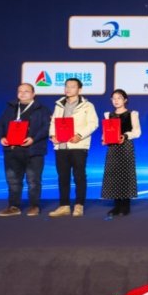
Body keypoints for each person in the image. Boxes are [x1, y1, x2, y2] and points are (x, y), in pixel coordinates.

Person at [0, 83, 51, 217]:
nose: (23, 93)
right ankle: (14, 206)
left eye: (26, 91)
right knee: (13, 180)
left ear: (33, 94)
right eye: (20, 91)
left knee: (33, 181)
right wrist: (1, 137)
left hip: (33, 150)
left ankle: (34, 206)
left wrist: (33, 139)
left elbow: (47, 127)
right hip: (12, 150)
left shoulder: (42, 109)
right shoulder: (11, 108)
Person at [48, 77, 99, 217]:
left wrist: (79, 135)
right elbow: (53, 123)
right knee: (63, 177)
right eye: (66, 86)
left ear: (79, 89)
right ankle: (64, 206)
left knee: (79, 176)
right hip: (61, 146)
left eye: (72, 86)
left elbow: (93, 123)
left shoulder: (87, 105)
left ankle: (79, 205)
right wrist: (52, 135)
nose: (68, 89)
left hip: (78, 145)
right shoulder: (59, 104)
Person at [101, 89, 141, 217]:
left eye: (119, 98)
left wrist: (125, 135)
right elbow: (106, 131)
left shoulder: (132, 114)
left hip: (126, 146)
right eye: (114, 98)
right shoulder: (108, 115)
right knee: (113, 174)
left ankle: (126, 204)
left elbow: (137, 132)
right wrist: (104, 139)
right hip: (113, 147)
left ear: (125, 100)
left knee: (126, 174)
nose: (116, 100)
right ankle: (117, 204)